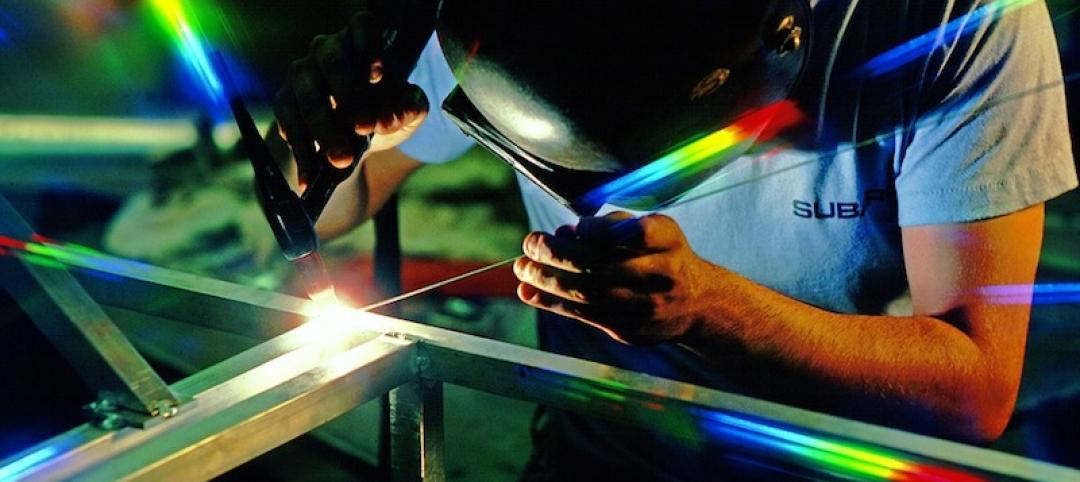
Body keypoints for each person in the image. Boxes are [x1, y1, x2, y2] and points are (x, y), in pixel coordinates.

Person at [272, 1, 1078, 480]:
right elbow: (340, 210)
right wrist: (328, 141)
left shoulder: (954, 24)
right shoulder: (497, 22)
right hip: (599, 453)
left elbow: (974, 391)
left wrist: (711, 312)